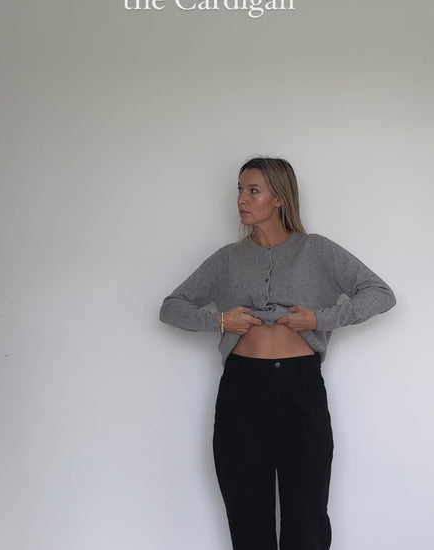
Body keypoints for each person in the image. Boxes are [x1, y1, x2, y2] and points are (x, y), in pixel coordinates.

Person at [159, 157, 396, 550]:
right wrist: (221, 321)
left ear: (280, 198)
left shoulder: (316, 250)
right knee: (247, 516)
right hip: (241, 389)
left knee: (307, 520)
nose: (241, 199)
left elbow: (380, 294)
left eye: (253, 190)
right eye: (240, 189)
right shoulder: (228, 258)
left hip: (300, 387)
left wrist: (320, 318)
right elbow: (172, 307)